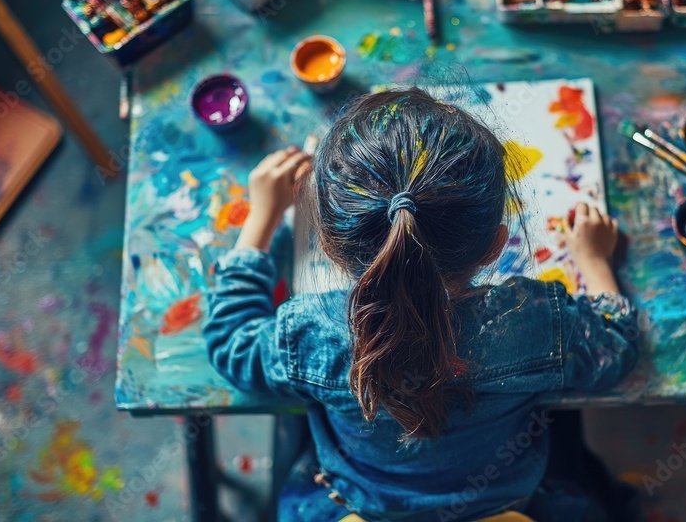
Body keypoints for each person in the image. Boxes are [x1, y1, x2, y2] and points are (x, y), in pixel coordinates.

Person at [203, 89, 640, 521]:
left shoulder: (310, 332)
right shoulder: (534, 323)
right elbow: (615, 348)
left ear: (331, 249)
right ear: (494, 246)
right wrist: (595, 261)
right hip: (501, 506)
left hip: (361, 509)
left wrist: (260, 219)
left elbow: (231, 346)